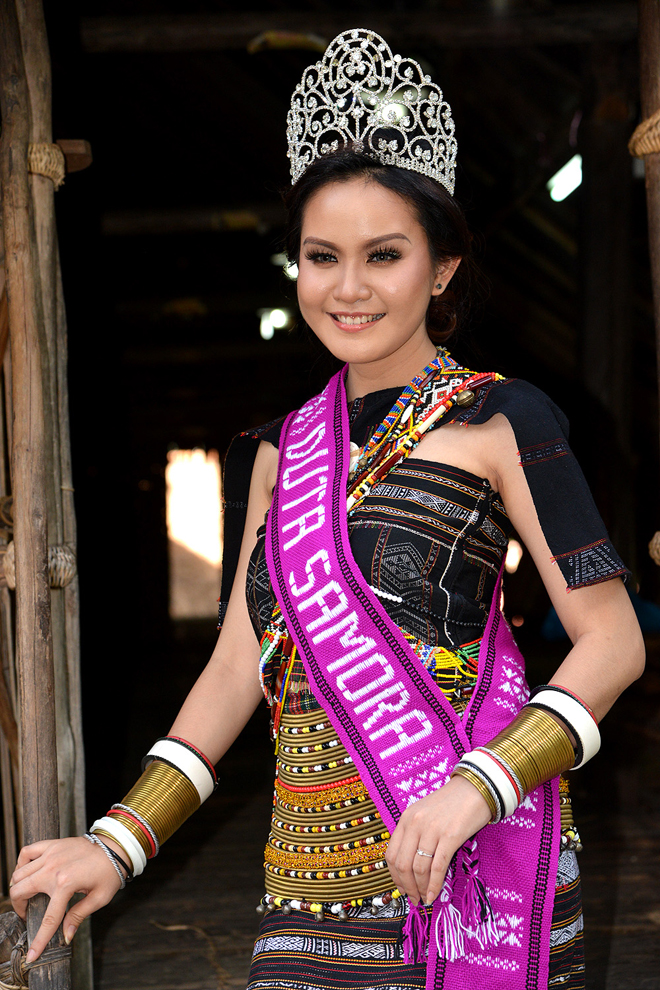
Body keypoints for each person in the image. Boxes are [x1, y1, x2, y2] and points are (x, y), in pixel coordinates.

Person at [9, 28, 644, 990]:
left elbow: (613, 640)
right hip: (301, 894)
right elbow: (237, 667)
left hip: (462, 863)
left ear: (442, 269)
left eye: (383, 255)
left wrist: (479, 787)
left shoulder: (504, 421)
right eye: (321, 257)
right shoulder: (275, 455)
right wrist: (116, 842)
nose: (348, 289)